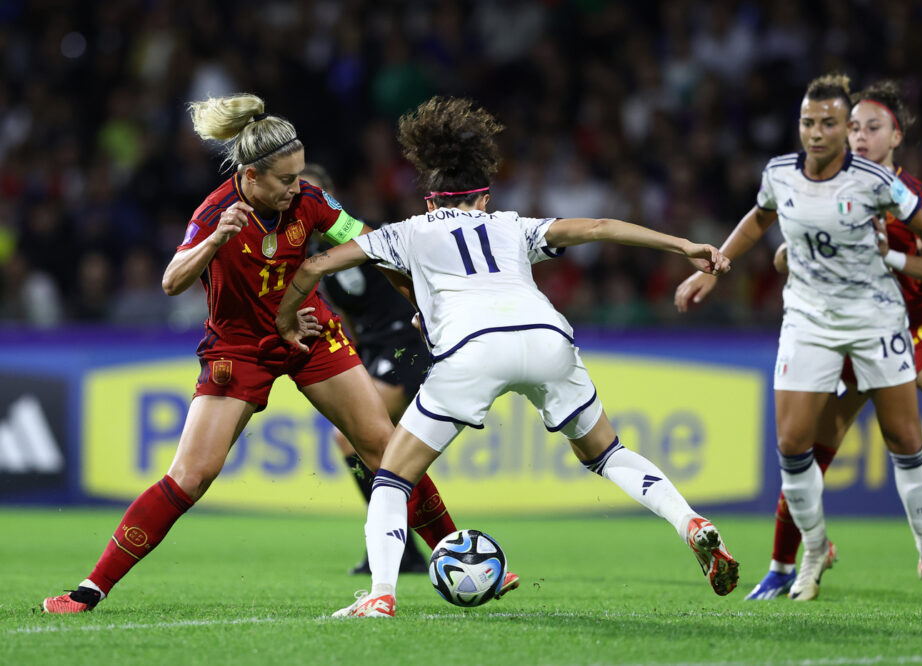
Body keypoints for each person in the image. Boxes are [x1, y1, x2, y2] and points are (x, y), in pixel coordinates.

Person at [276, 96, 739, 618]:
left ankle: (381, 593)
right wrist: (684, 246)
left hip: (473, 351)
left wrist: (286, 318)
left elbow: (315, 266)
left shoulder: (406, 232)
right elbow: (598, 226)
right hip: (547, 338)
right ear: (484, 198)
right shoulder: (513, 225)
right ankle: (690, 523)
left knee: (391, 476)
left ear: (430, 202)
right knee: (608, 453)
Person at [41, 94, 504, 613]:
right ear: (252, 175)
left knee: (385, 449)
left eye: (299, 176)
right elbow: (173, 281)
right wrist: (215, 240)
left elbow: (371, 244)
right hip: (239, 349)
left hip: (308, 333)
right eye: (285, 179)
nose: (296, 188)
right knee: (191, 477)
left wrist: (424, 299)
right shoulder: (214, 213)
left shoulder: (310, 201)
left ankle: (461, 558)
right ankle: (90, 590)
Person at [674, 74, 922, 603]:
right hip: (812, 325)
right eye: (810, 122)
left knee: (909, 441)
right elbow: (763, 221)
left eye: (841, 124)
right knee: (795, 447)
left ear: (888, 136)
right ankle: (802, 558)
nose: (824, 132)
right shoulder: (780, 174)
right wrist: (719, 266)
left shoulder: (887, 186)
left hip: (893, 326)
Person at [300, 162, 429, 575]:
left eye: (313, 192)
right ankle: (401, 545)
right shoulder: (318, 258)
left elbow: (411, 279)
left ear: (330, 197)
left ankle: (401, 542)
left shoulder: (366, 237)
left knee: (362, 439)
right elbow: (351, 320)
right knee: (369, 445)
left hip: (407, 343)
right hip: (374, 349)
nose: (303, 200)